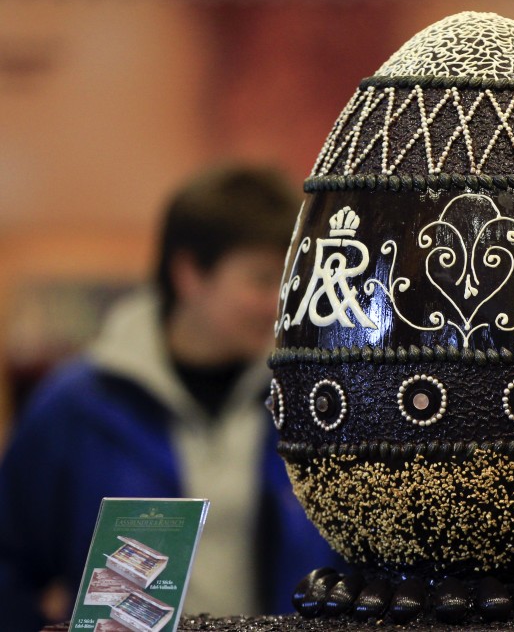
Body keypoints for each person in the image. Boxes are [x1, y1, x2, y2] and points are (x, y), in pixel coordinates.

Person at [0, 164, 341, 631]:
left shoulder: (314, 402)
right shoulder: (75, 406)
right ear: (190, 275)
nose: (279, 302)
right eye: (262, 279)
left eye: (289, 280)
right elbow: (10, 564)